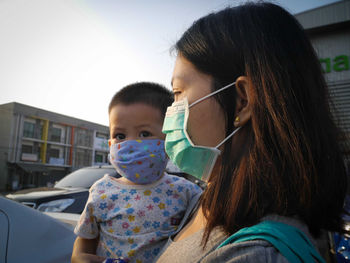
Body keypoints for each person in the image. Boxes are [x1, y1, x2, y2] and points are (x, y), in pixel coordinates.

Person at [155, 2, 348, 263]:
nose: (171, 110)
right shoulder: (213, 197)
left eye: (178, 93)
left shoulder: (257, 255)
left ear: (242, 100)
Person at [71, 82, 203, 263]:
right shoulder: (101, 191)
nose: (130, 145)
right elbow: (84, 242)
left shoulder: (187, 192)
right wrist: (80, 258)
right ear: (110, 144)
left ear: (169, 138)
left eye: (144, 134)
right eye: (120, 136)